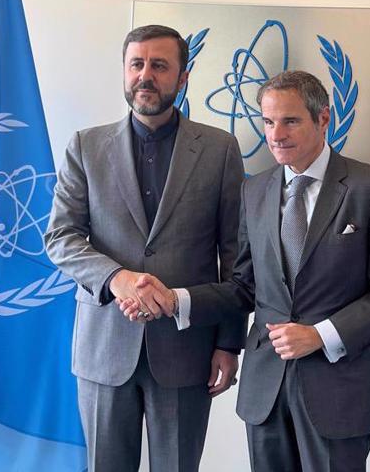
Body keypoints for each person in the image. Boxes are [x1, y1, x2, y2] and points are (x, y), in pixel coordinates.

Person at [121, 70, 370, 472]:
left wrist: (319, 335)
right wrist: (176, 300)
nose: (275, 133)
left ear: (323, 119)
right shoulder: (255, 190)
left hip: (338, 393)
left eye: (290, 120)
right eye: (267, 121)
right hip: (266, 392)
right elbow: (244, 287)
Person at [44, 24, 246, 471]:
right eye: (136, 64)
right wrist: (118, 278)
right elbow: (60, 237)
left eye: (159, 65)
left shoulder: (220, 150)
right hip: (104, 349)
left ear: (183, 76)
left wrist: (229, 344)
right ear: (124, 71)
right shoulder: (86, 146)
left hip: (187, 350)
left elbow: (236, 257)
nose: (145, 75)